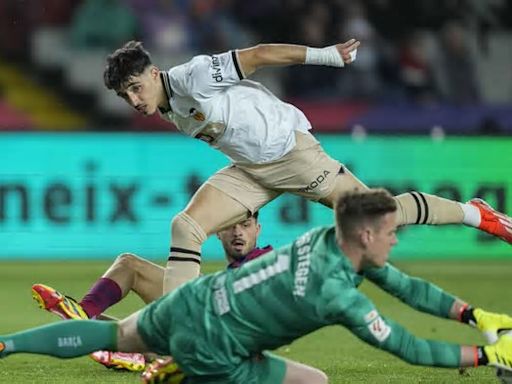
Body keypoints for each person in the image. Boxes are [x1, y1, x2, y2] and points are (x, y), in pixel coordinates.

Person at [102, 39, 512, 295]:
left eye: (137, 87)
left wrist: (327, 55)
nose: (135, 100)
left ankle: (478, 214)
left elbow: (259, 55)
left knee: (383, 217)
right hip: (250, 170)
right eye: (126, 95)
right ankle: (177, 335)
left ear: (155, 73)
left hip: (294, 156)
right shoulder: (166, 105)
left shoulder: (192, 78)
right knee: (184, 227)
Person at [2, 189, 512, 384]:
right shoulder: (338, 297)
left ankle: (8, 345)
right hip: (217, 348)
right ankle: (181, 373)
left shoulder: (319, 240)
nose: (396, 241)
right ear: (364, 235)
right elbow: (410, 346)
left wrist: (473, 316)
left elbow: (406, 287)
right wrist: (488, 358)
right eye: (391, 233)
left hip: (191, 302)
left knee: (111, 337)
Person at [30, 212, 271, 371]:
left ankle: (119, 342)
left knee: (133, 269)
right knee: (127, 266)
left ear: (257, 230)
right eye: (231, 225)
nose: (238, 232)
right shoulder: (227, 275)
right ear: (218, 232)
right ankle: (89, 320)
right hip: (203, 333)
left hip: (222, 345)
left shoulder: (266, 261)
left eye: (246, 225)